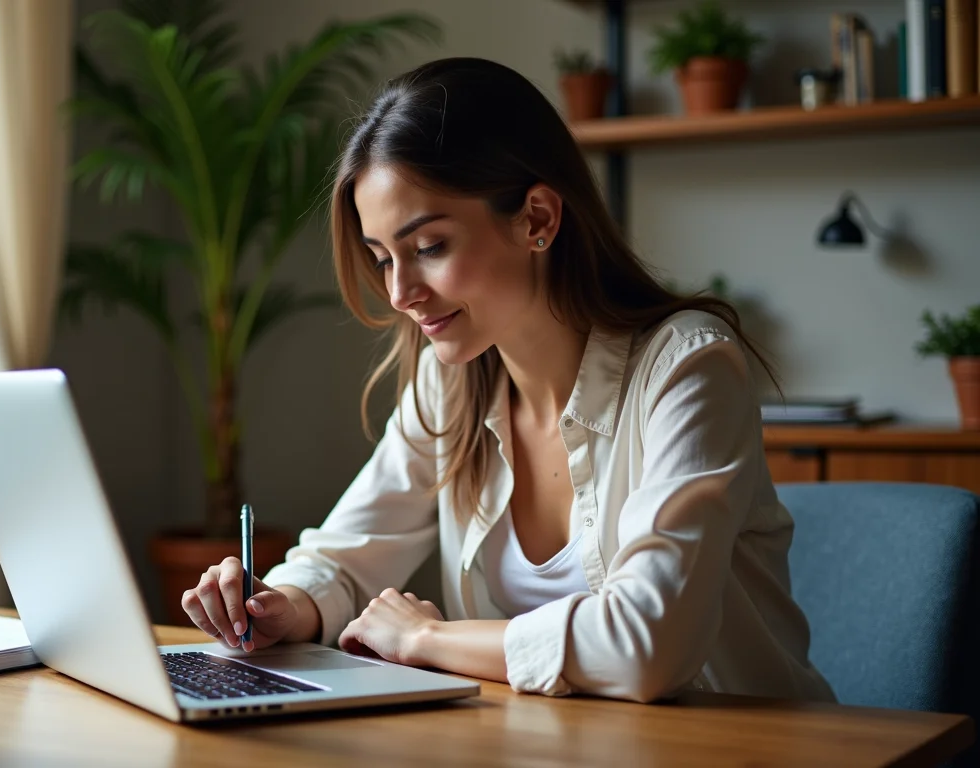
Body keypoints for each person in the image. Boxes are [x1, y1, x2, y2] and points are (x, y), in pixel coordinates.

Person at [180, 56, 835, 704]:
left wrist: (428, 639)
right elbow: (345, 557)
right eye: (382, 259)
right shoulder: (452, 385)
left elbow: (647, 644)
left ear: (538, 219)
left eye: (429, 247)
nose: (401, 292)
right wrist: (283, 606)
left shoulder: (686, 369)